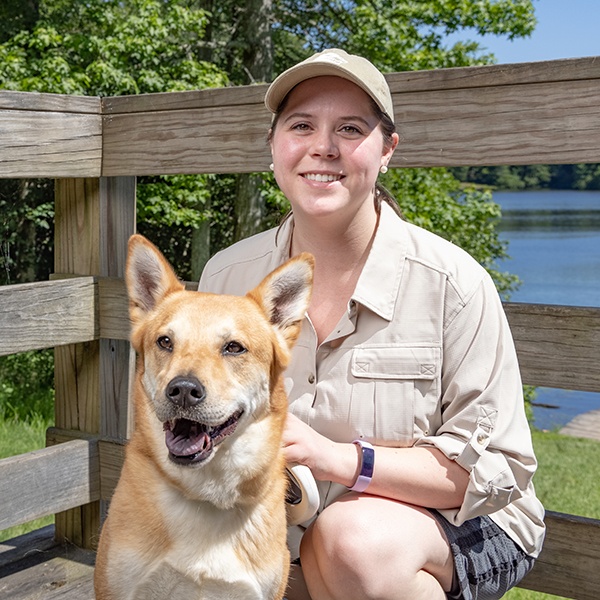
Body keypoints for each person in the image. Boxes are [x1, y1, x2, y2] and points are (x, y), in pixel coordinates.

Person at [199, 48, 545, 600]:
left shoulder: (454, 283)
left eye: (351, 129)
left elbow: (491, 474)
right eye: (302, 126)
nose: (323, 146)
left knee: (351, 542)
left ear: (387, 151)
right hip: (288, 525)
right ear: (273, 149)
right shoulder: (226, 274)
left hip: (461, 524)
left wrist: (335, 458)